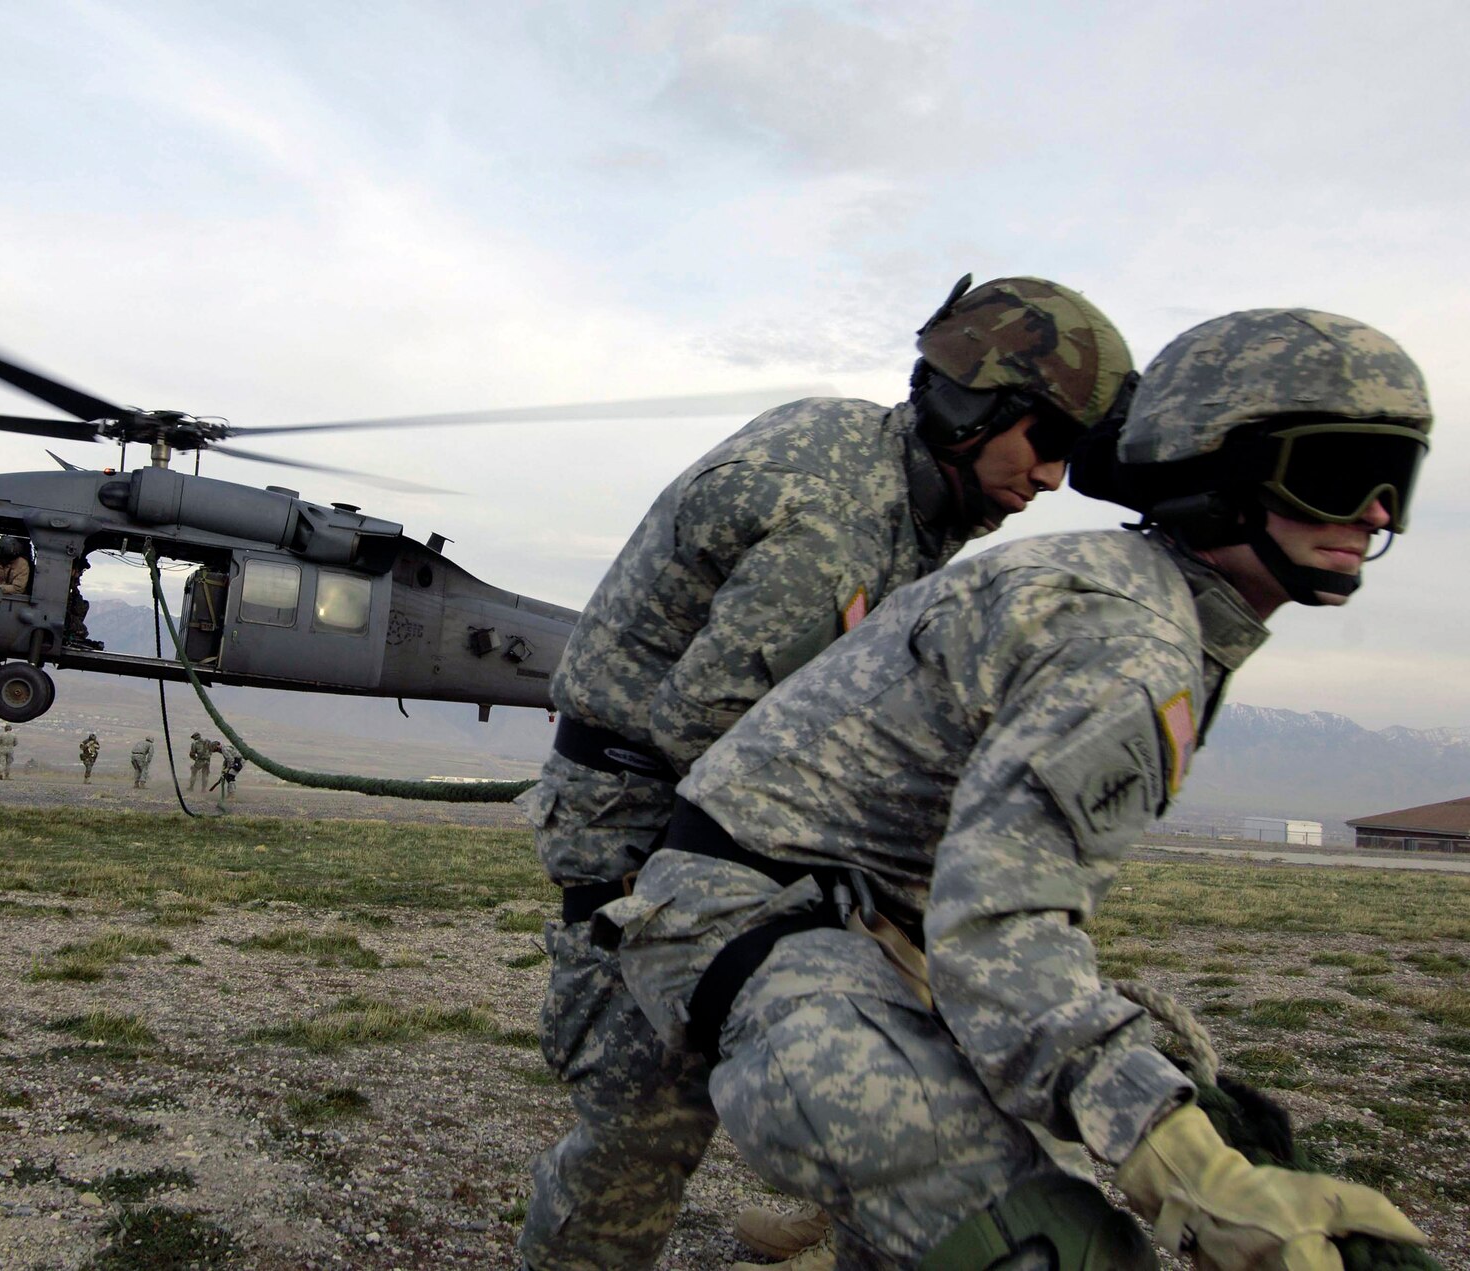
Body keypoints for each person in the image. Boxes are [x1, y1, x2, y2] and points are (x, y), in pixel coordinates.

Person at [599, 309, 1434, 1269]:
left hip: (865, 924)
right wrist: (1190, 1170)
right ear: (1219, 467)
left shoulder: (1147, 607)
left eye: (1395, 483)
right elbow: (1002, 932)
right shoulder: (1128, 638)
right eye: (1336, 474)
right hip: (750, 914)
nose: (1373, 512)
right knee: (1049, 1246)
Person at [518, 276, 1135, 1271]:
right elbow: (707, 731)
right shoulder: (835, 518)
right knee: (642, 1129)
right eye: (1046, 442)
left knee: (897, 1050)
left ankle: (834, 1201)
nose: (1053, 478)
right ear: (975, 407)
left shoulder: (896, 478)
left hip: (736, 810)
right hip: (648, 820)